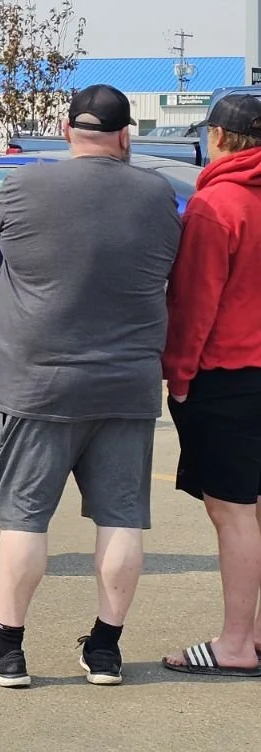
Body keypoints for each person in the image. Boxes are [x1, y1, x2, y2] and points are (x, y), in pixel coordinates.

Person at [0, 85, 181, 689]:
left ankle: (7, 649)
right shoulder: (156, 194)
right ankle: (105, 650)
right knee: (122, 518)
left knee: (25, 520)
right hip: (127, 381)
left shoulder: (27, 184)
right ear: (126, 135)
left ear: (66, 128)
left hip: (38, 383)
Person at [160, 92, 261, 678]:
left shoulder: (215, 205)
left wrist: (178, 377)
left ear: (218, 138)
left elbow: (195, 304)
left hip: (228, 377)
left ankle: (236, 643)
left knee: (233, 513)